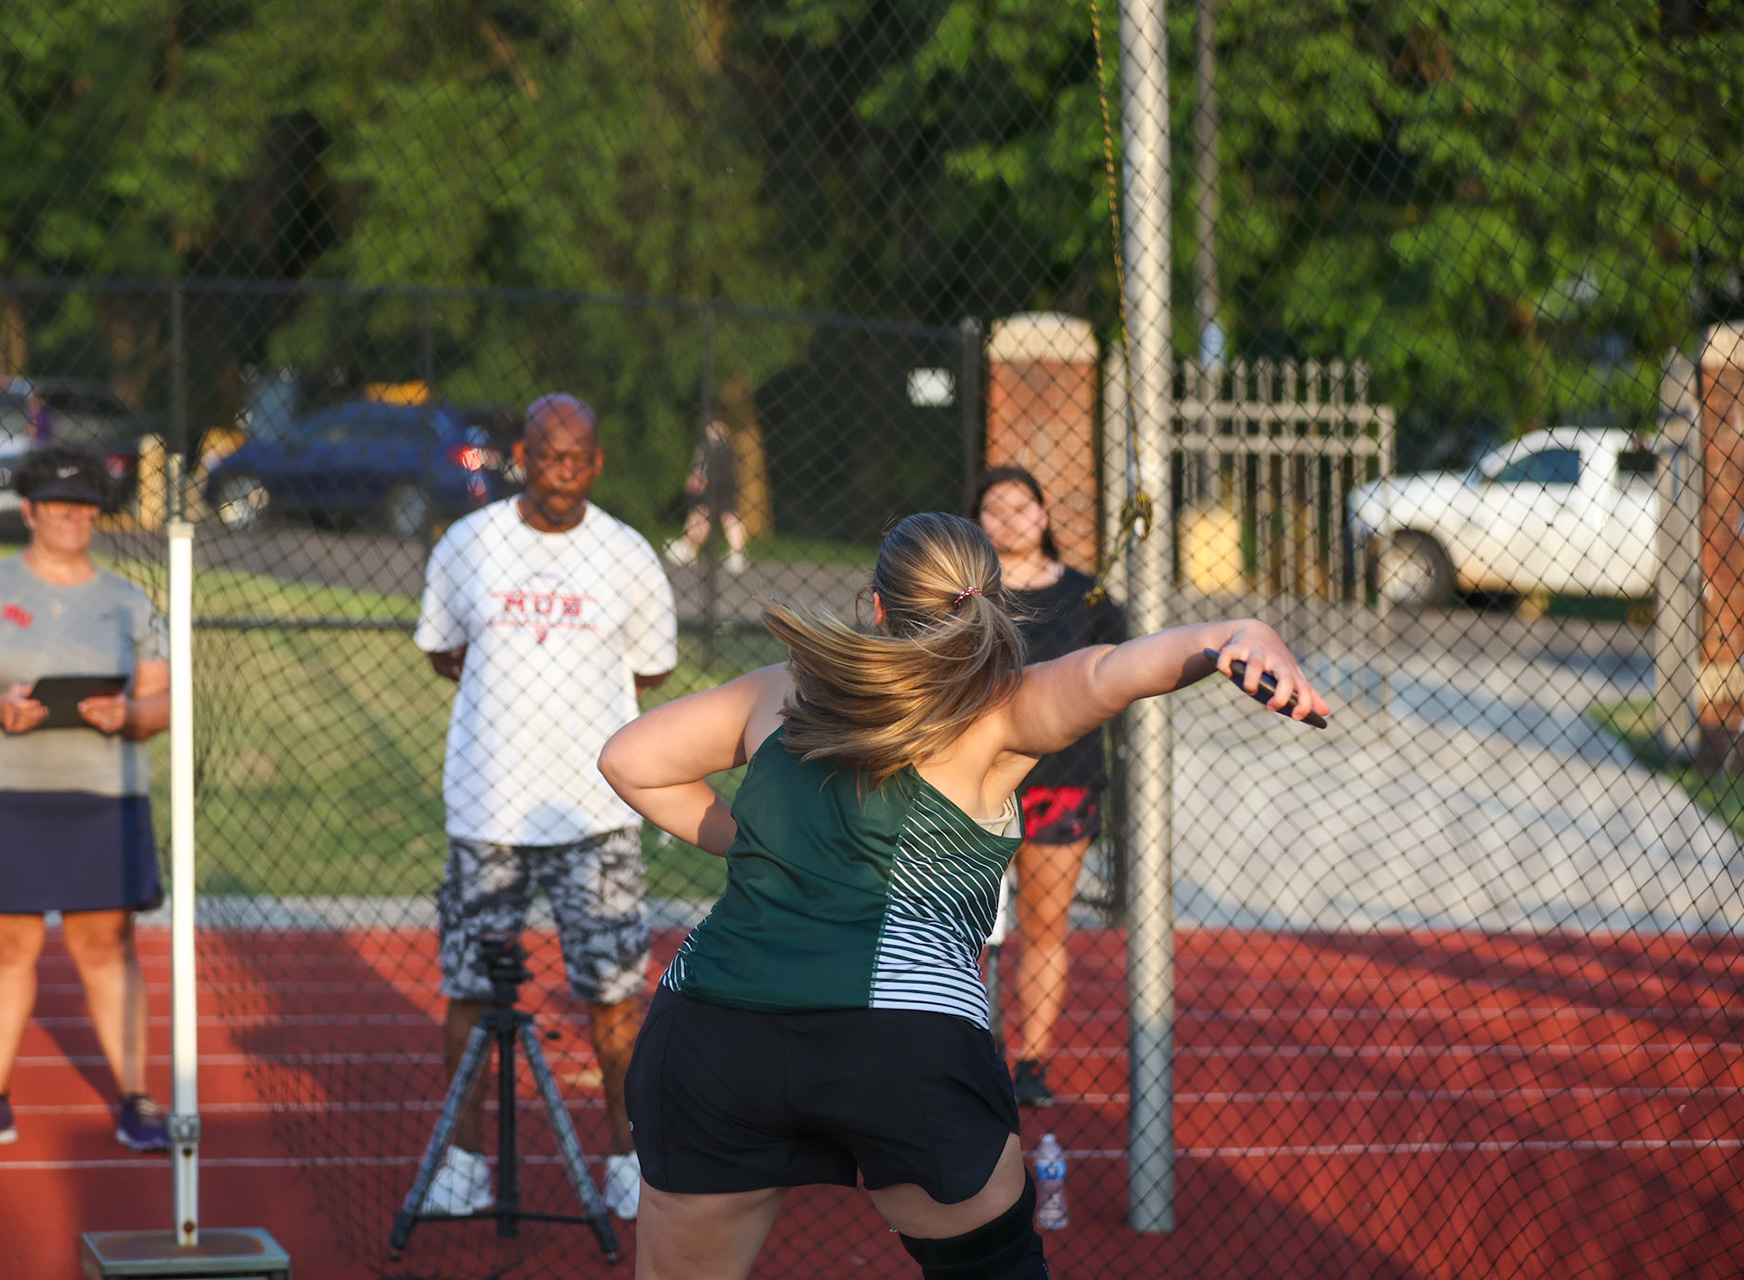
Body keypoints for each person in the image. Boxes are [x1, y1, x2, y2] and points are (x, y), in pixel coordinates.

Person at [599, 511, 1327, 1280]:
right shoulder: (997, 712)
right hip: (900, 1035)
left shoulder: (785, 686)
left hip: (715, 1028)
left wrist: (755, 839)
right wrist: (1238, 632)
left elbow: (629, 759)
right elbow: (1110, 671)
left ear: (877, 606)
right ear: (991, 603)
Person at [414, 392, 678, 1222]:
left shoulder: (627, 555)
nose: (559, 472)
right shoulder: (469, 543)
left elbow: (652, 670)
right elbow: (443, 650)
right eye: (544, 454)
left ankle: (627, 1161)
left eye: (576, 458)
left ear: (595, 465)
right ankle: (462, 1161)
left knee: (614, 996)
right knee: (467, 991)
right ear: (519, 457)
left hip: (596, 815)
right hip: (488, 809)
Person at [0, 446, 171, 1154]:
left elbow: (161, 699)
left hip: (101, 794)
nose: (72, 517)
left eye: (86, 505)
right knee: (8, 945)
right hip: (2, 791)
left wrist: (129, 715)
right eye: (59, 504)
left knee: (105, 944)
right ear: (29, 511)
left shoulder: (127, 599)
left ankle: (136, 1099)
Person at [973, 466, 1128, 1106]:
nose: (1008, 519)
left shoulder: (1088, 597)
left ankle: (1030, 1063)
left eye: (1021, 507)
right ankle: (970, 1054)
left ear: (1043, 515)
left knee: (1043, 926)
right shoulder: (965, 593)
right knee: (965, 928)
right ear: (975, 522)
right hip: (974, 783)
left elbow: (1118, 674)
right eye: (993, 509)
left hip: (1060, 783)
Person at [663, 419, 748, 573]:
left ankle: (688, 548)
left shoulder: (711, 441)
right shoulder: (727, 445)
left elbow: (704, 461)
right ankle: (735, 554)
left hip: (715, 480)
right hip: (728, 480)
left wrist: (699, 475)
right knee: (726, 515)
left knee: (703, 513)